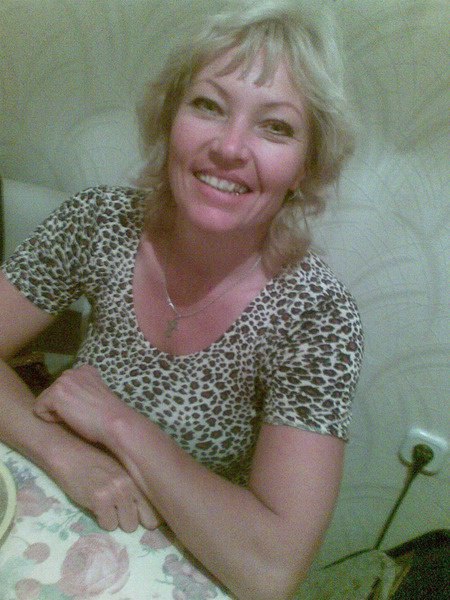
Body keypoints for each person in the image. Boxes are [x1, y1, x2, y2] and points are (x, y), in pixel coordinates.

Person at [0, 1, 363, 598]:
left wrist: (120, 425)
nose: (230, 146)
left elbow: (270, 570)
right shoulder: (99, 221)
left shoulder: (317, 317)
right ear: (170, 119)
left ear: (305, 166)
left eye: (276, 127)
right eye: (209, 106)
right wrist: (64, 454)